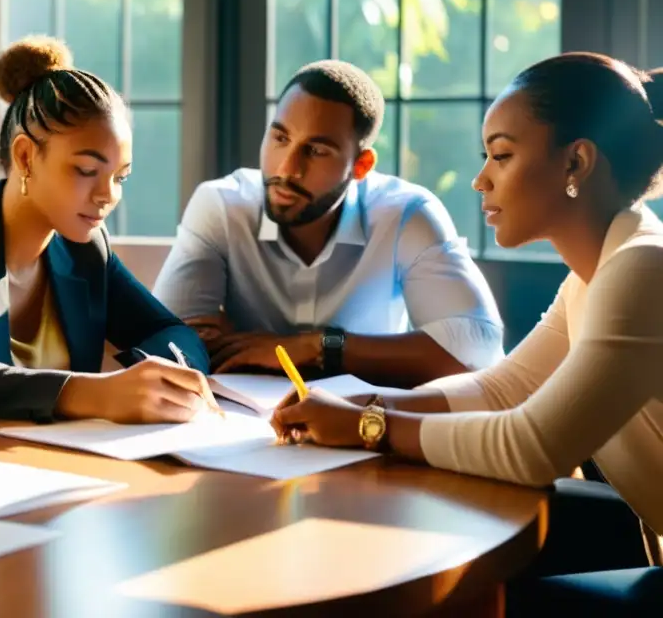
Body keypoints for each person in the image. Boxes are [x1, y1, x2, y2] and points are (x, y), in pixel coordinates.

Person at [271, 53, 663, 615]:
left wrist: (366, 424)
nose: (481, 178)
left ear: (576, 162)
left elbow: (530, 447)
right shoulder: (596, 275)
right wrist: (370, 399)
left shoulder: (640, 269)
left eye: (502, 155)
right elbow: (502, 389)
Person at [0, 36, 219, 424]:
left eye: (120, 177)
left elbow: (173, 332)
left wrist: (148, 375)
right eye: (87, 171)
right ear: (25, 156)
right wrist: (93, 393)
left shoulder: (87, 250)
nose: (107, 195)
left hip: (62, 464)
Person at [153, 60, 503, 387]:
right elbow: (170, 346)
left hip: (366, 426)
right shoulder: (222, 205)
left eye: (316, 151)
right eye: (280, 138)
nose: (286, 169)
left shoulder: (405, 214)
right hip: (239, 427)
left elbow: (478, 351)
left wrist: (318, 347)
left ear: (361, 166)